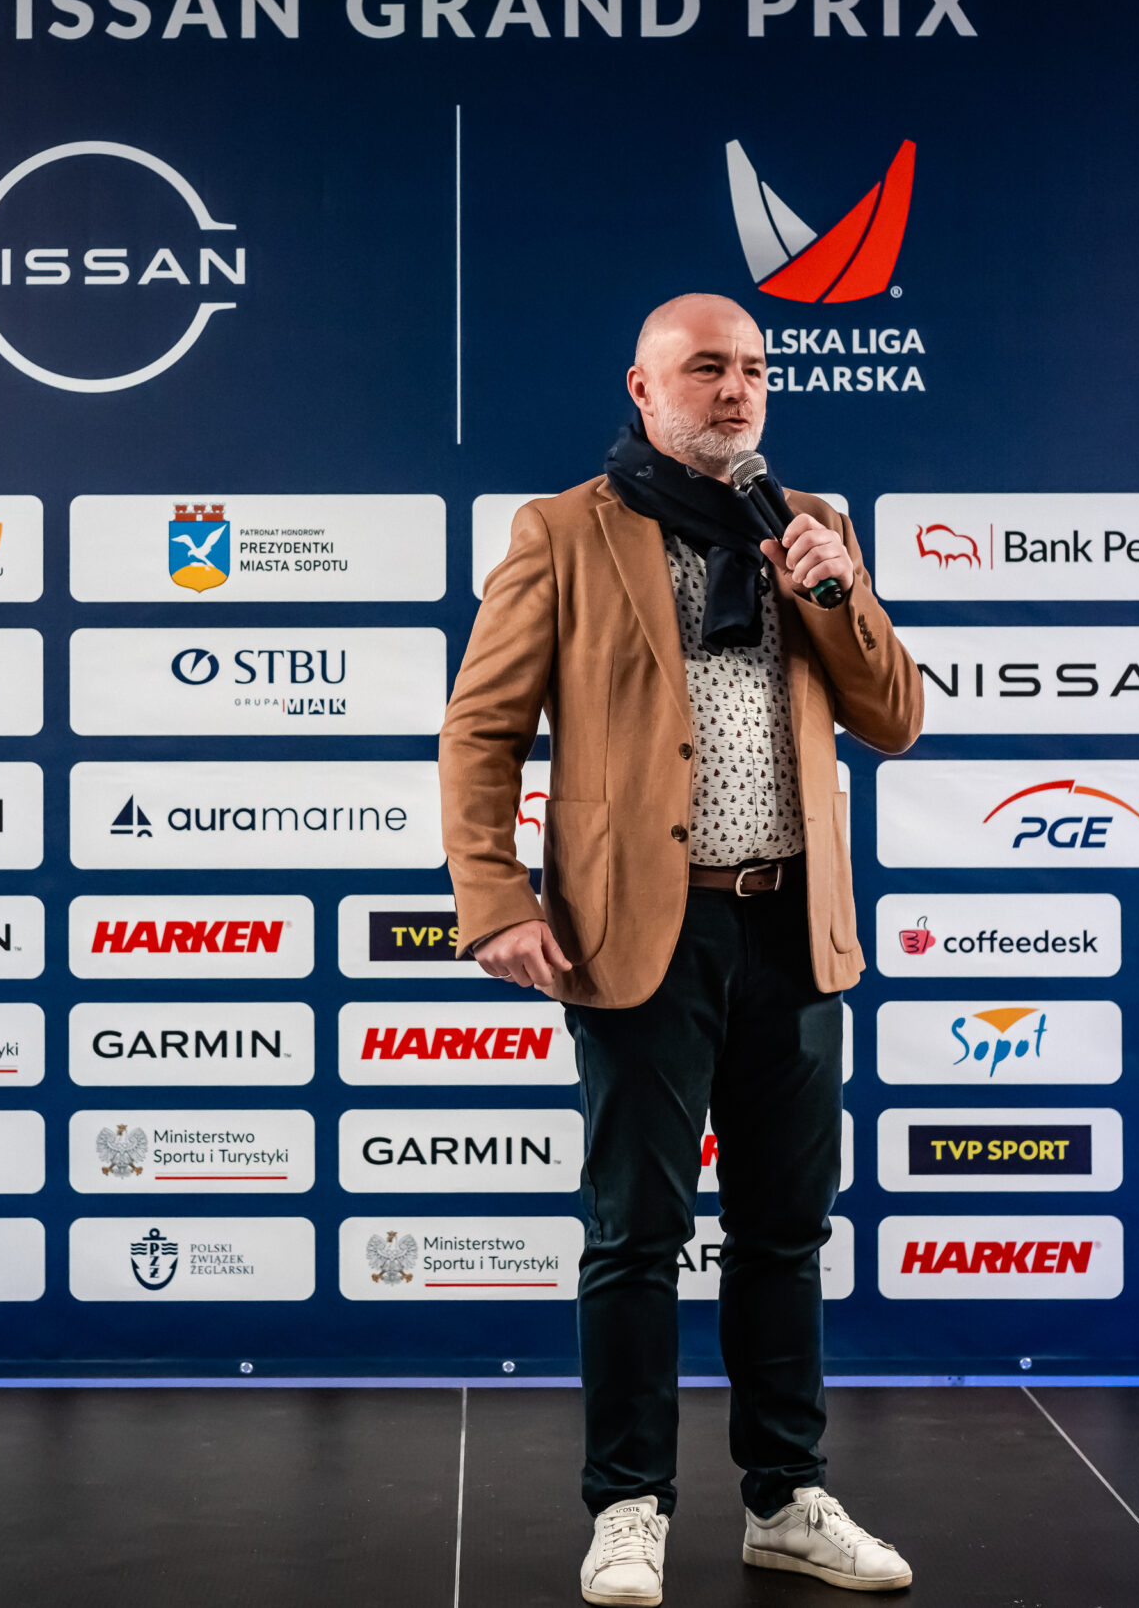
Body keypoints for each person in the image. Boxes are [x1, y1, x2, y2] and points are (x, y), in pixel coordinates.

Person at [440, 294, 924, 1603]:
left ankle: (787, 1496)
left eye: (755, 369)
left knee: (785, 1231)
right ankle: (628, 1506)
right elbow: (482, 730)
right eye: (706, 368)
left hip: (794, 925)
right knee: (635, 1232)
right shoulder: (564, 532)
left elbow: (893, 720)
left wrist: (832, 595)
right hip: (642, 928)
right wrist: (495, 898)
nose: (736, 390)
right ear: (643, 389)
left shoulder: (809, 524)